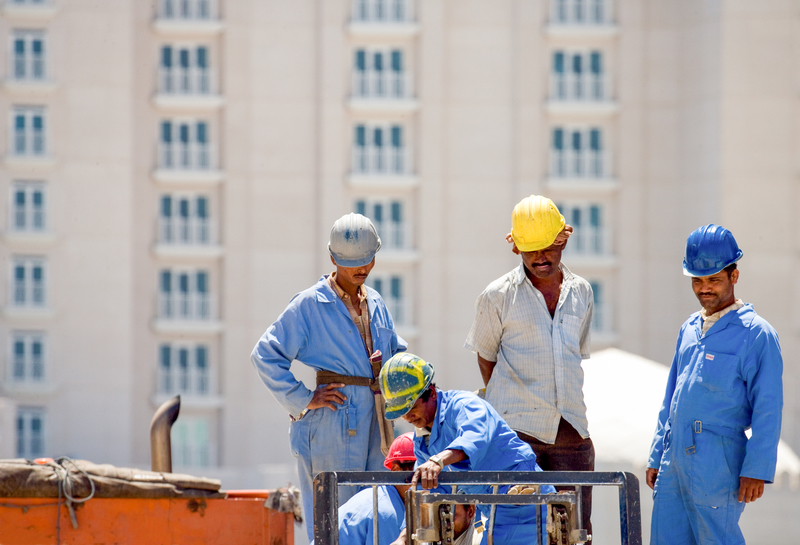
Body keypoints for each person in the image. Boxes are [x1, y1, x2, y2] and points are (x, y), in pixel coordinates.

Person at [251, 213, 407, 541]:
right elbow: (265, 354)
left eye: (367, 260)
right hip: (332, 422)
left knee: (380, 516)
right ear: (333, 259)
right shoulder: (309, 304)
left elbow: (398, 352)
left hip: (378, 423)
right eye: (352, 263)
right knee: (331, 520)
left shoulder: (376, 302)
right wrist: (305, 399)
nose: (361, 268)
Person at [464, 195, 595, 537]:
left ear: (563, 239)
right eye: (530, 248)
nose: (540, 257)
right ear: (515, 249)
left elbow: (573, 357)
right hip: (517, 438)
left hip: (573, 436)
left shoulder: (582, 292)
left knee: (575, 534)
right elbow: (486, 357)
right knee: (515, 532)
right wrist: (517, 412)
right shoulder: (497, 296)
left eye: (548, 246)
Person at [646, 224, 783, 545]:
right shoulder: (689, 329)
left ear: (734, 277)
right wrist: (656, 457)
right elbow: (671, 399)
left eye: (714, 280)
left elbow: (769, 407)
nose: (704, 289)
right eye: (697, 280)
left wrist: (757, 468)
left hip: (717, 459)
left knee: (716, 539)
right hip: (673, 459)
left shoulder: (757, 334)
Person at [379, 352, 554, 545]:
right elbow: (424, 494)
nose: (408, 417)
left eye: (411, 407)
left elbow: (475, 438)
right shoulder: (423, 443)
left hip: (534, 505)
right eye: (402, 412)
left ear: (432, 393)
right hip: (498, 516)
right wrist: (403, 538)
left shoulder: (464, 405)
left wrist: (438, 460)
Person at [330, 432, 481, 545]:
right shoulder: (386, 511)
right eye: (421, 474)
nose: (430, 482)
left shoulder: (381, 497)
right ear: (396, 470)